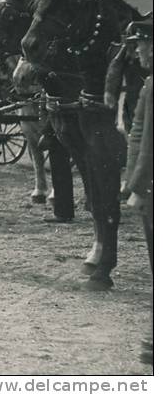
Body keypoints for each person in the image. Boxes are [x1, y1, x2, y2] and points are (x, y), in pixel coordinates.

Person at [120, 19, 152, 365]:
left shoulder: (153, 87)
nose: (137, 51)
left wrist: (138, 187)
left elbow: (147, 145)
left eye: (141, 44)